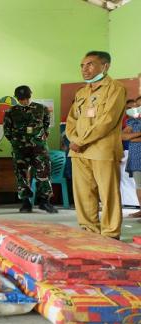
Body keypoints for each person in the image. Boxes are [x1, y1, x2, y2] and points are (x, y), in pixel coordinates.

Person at [65, 51, 126, 240]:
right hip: (78, 152)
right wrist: (73, 139)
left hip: (102, 150)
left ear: (105, 66)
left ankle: (110, 234)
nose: (85, 69)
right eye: (82, 65)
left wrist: (80, 141)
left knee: (108, 195)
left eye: (90, 64)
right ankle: (89, 231)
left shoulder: (115, 88)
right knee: (83, 194)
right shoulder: (82, 91)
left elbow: (107, 120)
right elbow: (71, 119)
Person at [4, 85, 57, 213]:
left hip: (39, 147)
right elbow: (7, 131)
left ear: (30, 95)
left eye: (26, 98)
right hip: (20, 148)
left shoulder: (42, 108)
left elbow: (46, 126)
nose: (24, 101)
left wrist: (40, 139)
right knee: (21, 174)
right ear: (17, 98)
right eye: (21, 99)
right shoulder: (11, 112)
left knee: (44, 172)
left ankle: (44, 201)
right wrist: (17, 142)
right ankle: (26, 202)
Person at [122, 99, 141, 216]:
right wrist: (138, 134)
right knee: (139, 184)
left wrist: (132, 138)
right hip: (136, 156)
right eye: (137, 106)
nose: (137, 108)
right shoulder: (131, 121)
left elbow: (128, 137)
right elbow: (123, 136)